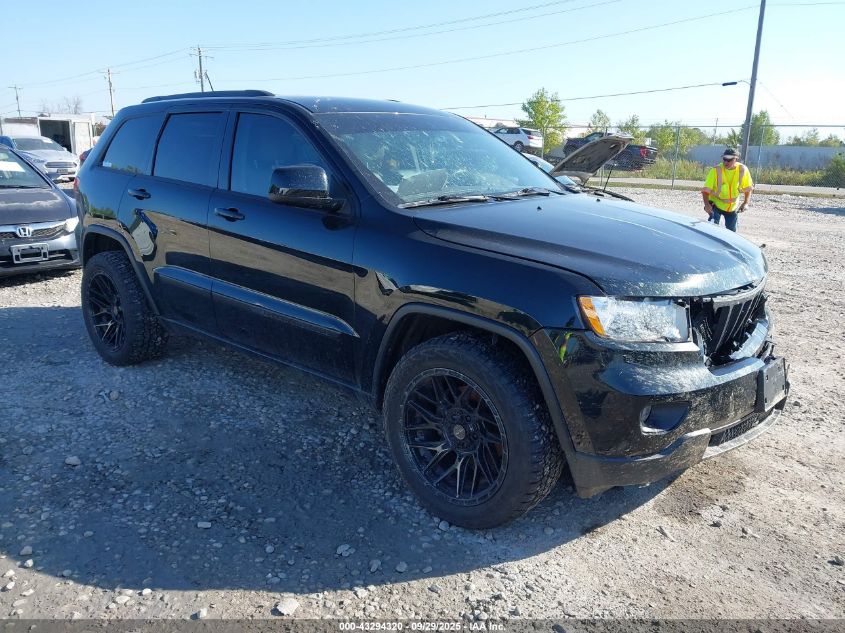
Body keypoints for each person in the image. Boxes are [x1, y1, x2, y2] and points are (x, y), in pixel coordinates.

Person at [701, 147, 754, 232]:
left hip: (732, 207)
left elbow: (748, 188)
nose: (726, 162)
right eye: (724, 159)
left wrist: (746, 203)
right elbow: (705, 190)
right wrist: (707, 205)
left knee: (731, 232)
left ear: (736, 159)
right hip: (716, 204)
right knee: (712, 229)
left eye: (729, 160)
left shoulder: (742, 170)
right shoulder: (715, 170)